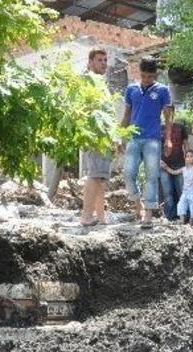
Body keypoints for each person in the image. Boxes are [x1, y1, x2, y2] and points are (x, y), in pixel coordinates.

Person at [119, 57, 174, 225]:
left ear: (155, 74)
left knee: (151, 176)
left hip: (153, 139)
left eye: (150, 77)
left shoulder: (163, 90)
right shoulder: (131, 89)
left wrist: (168, 139)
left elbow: (168, 118)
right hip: (133, 138)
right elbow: (127, 115)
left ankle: (149, 213)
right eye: (143, 76)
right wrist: (121, 136)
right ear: (139, 72)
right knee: (128, 173)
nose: (146, 80)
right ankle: (138, 206)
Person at [79, 48, 112, 226]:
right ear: (90, 62)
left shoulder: (100, 81)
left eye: (105, 60)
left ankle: (100, 216)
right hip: (96, 135)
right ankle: (86, 217)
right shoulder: (88, 80)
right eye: (100, 60)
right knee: (95, 175)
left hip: (103, 136)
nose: (104, 63)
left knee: (100, 176)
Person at [161, 149, 193, 225]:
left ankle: (191, 223)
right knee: (181, 205)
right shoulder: (183, 169)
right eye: (187, 156)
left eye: (191, 156)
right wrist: (166, 167)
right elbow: (173, 172)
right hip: (185, 192)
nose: (189, 158)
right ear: (185, 158)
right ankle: (182, 222)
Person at [160, 121, 188, 221]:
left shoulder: (180, 126)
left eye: (169, 111)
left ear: (173, 112)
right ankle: (170, 217)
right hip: (163, 165)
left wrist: (188, 160)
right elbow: (155, 145)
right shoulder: (160, 128)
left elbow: (186, 144)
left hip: (179, 163)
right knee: (167, 193)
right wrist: (158, 160)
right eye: (164, 111)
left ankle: (184, 217)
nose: (167, 113)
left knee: (182, 191)